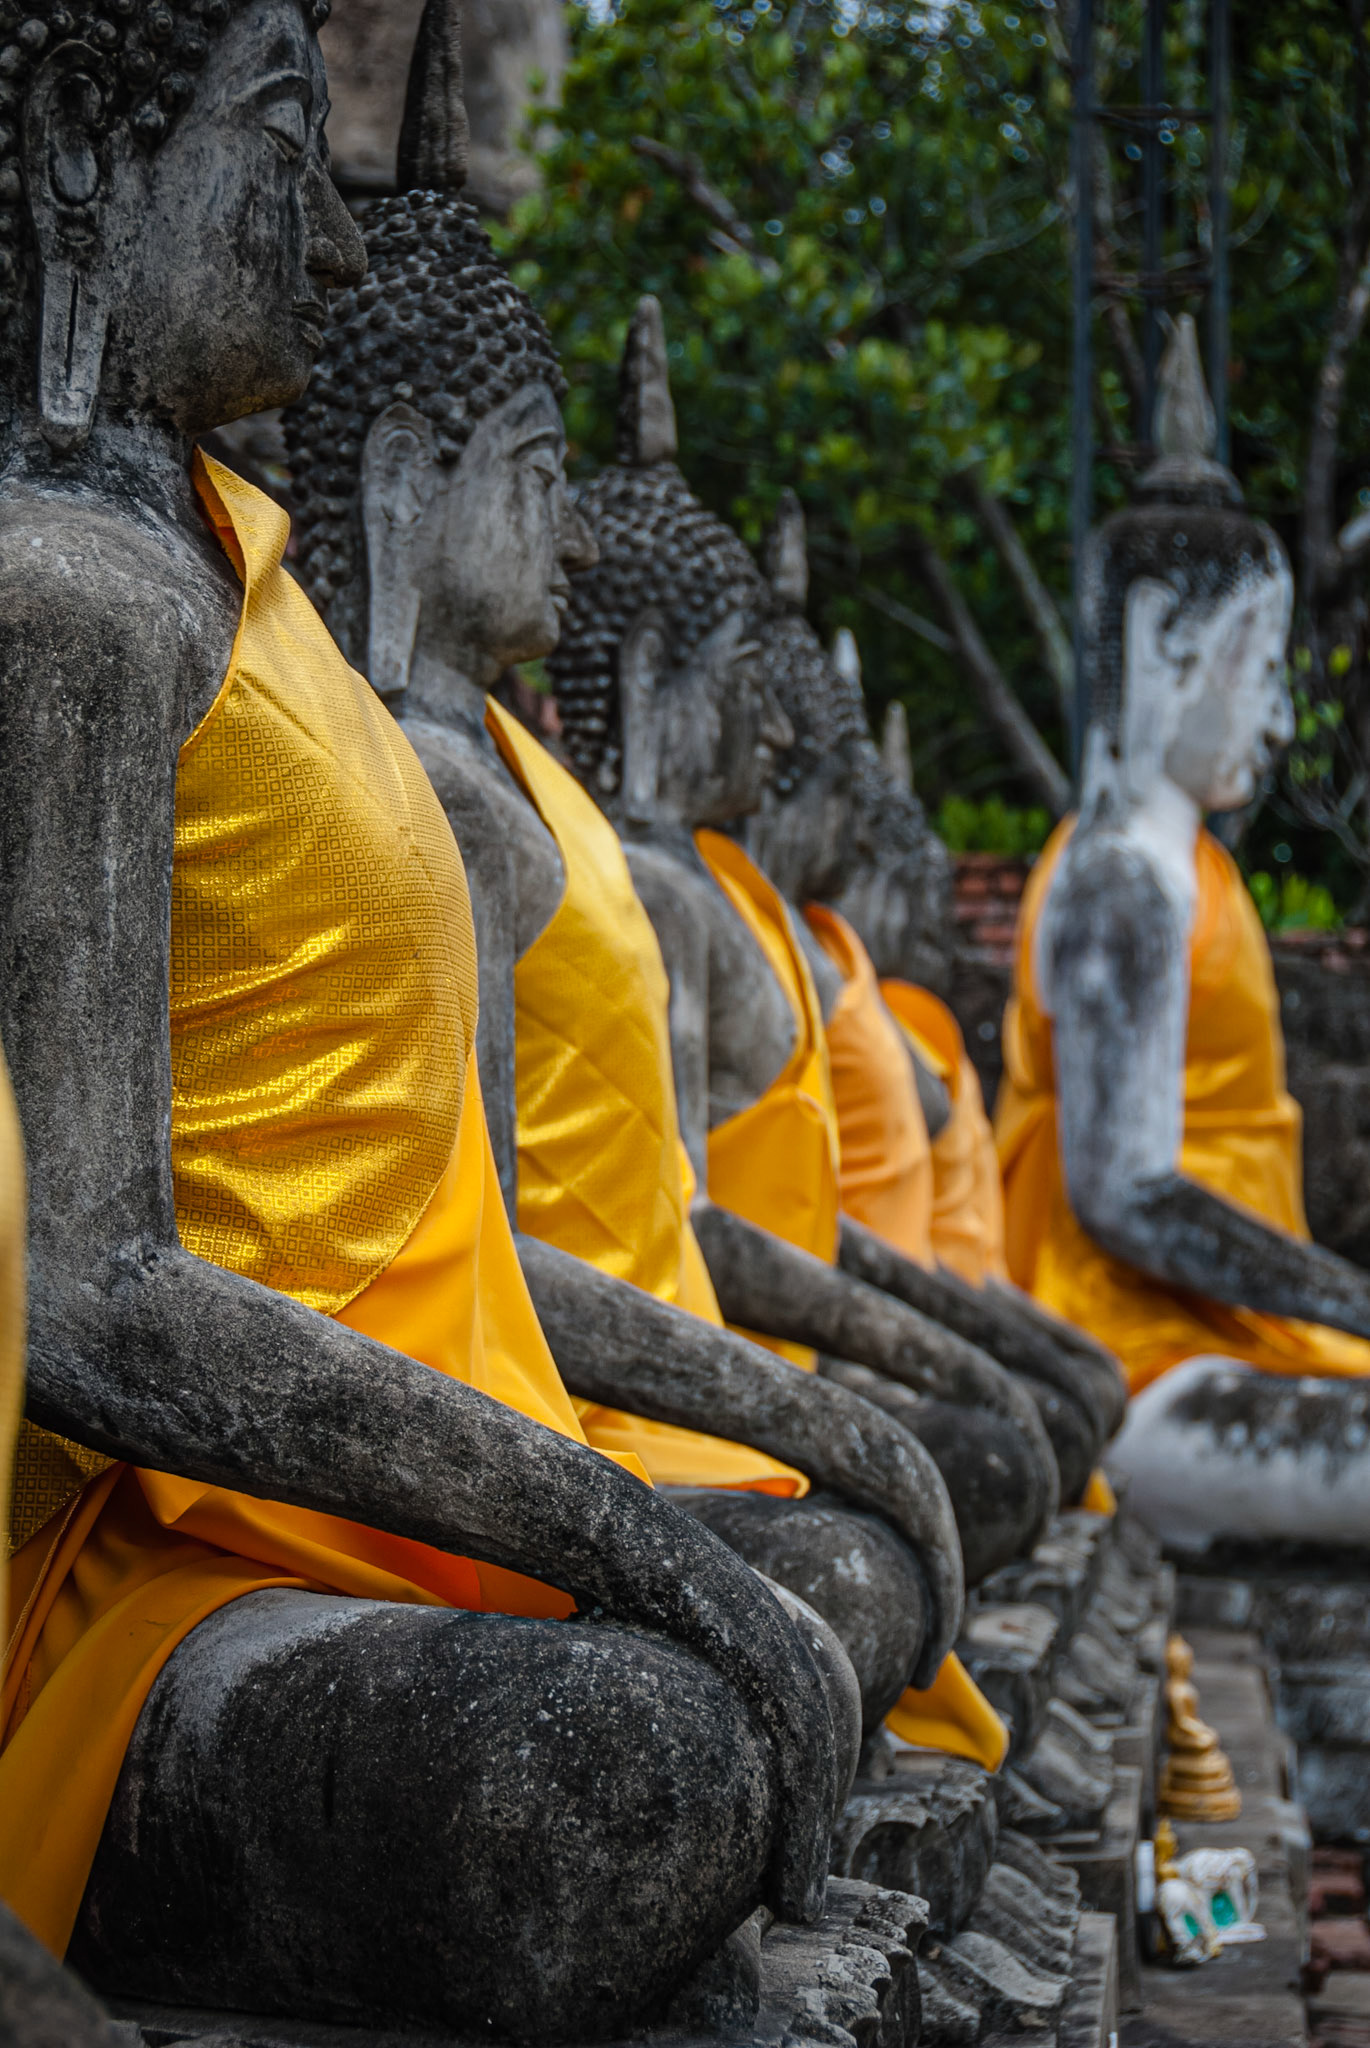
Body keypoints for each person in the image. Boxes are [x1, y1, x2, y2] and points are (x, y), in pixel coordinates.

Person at [0, 0, 838, 2029]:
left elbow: (464, 1209)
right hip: (160, 1587)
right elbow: (84, 1287)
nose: (339, 238)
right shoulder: (67, 602)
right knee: (611, 1772)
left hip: (394, 1504)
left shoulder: (242, 591)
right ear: (84, 168)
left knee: (761, 1629)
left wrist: (702, 1495)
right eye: (287, 147)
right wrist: (617, 1528)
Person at [997, 318, 1370, 1552]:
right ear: (1166, 641)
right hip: (1130, 1356)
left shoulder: (1191, 869)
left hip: (1224, 1341)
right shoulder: (1119, 879)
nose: (1273, 718)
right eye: (1257, 666)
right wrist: (1346, 1297)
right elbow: (1122, 1194)